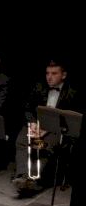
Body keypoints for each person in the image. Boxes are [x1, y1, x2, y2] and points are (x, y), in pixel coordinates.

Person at [13, 60, 78, 195]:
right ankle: (22, 175)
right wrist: (32, 124)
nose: (49, 77)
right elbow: (28, 109)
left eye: (54, 73)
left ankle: (31, 178)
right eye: (47, 73)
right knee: (22, 140)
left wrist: (47, 129)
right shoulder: (39, 87)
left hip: (57, 129)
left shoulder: (71, 92)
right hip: (37, 124)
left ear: (63, 75)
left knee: (43, 146)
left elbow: (71, 119)